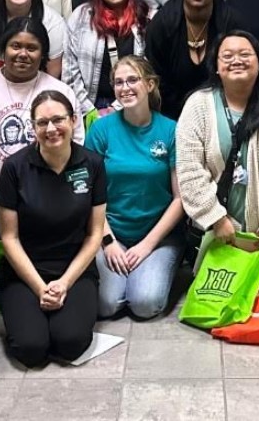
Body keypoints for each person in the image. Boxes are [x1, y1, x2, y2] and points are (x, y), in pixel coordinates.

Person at [176, 30, 259, 284]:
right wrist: (216, 219)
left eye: (245, 54)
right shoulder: (198, 105)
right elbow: (189, 171)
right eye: (227, 56)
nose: (237, 60)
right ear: (216, 67)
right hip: (217, 231)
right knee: (219, 303)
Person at [0, 90, 106, 366]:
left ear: (73, 121)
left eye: (58, 120)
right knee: (31, 349)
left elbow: (95, 234)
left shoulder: (93, 164)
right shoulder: (14, 168)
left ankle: (59, 314)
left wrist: (64, 284)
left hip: (75, 271)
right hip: (25, 272)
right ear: (33, 128)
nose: (51, 129)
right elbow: (9, 238)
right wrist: (40, 288)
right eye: (42, 123)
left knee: (70, 343)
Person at [0, 17, 82, 236]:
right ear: (2, 49)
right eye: (16, 46)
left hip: (49, 208)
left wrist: (42, 200)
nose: (23, 53)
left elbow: (75, 148)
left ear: (43, 54)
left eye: (32, 48)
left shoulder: (61, 92)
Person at [84, 57, 183, 319]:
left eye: (132, 80)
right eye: (118, 82)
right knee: (106, 306)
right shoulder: (101, 129)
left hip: (157, 236)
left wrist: (147, 246)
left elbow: (180, 199)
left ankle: (152, 271)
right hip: (110, 232)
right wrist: (108, 242)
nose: (125, 87)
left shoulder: (170, 130)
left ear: (150, 84)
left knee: (145, 304)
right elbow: (88, 193)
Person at [146, 0, 238, 119]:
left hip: (222, 106)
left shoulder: (229, 20)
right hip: (170, 108)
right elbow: (156, 73)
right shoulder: (164, 22)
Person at [64, 0, 150, 114]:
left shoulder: (146, 17)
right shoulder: (81, 17)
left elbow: (148, 70)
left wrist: (116, 109)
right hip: (88, 105)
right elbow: (70, 70)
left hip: (135, 103)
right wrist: (89, 112)